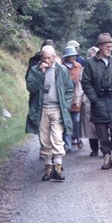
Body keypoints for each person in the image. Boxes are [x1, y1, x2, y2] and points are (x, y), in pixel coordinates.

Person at [25, 45, 74, 181]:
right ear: (41, 57)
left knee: (57, 138)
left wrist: (66, 104)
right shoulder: (35, 70)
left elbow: (70, 89)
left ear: (54, 57)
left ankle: (58, 166)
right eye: (44, 57)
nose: (47, 60)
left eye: (49, 58)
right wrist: (41, 73)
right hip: (42, 109)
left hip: (57, 109)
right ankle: (48, 167)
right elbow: (31, 88)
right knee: (44, 139)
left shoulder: (62, 70)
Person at [82, 33, 112, 169]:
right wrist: (94, 99)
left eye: (111, 46)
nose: (110, 48)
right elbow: (86, 82)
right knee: (101, 131)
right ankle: (107, 156)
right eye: (108, 46)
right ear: (100, 47)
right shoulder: (90, 63)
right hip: (99, 102)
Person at [62, 46, 84, 151]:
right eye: (72, 55)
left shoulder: (78, 66)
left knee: (76, 120)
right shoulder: (60, 66)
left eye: (75, 55)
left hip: (76, 97)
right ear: (67, 56)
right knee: (66, 122)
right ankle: (67, 144)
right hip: (64, 97)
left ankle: (77, 137)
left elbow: (81, 82)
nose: (74, 57)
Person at [80, 46, 100, 156]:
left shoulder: (103, 66)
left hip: (101, 99)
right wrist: (80, 100)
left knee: (102, 125)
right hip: (88, 100)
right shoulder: (84, 69)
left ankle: (105, 148)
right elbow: (80, 85)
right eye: (91, 55)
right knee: (90, 126)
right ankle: (94, 149)